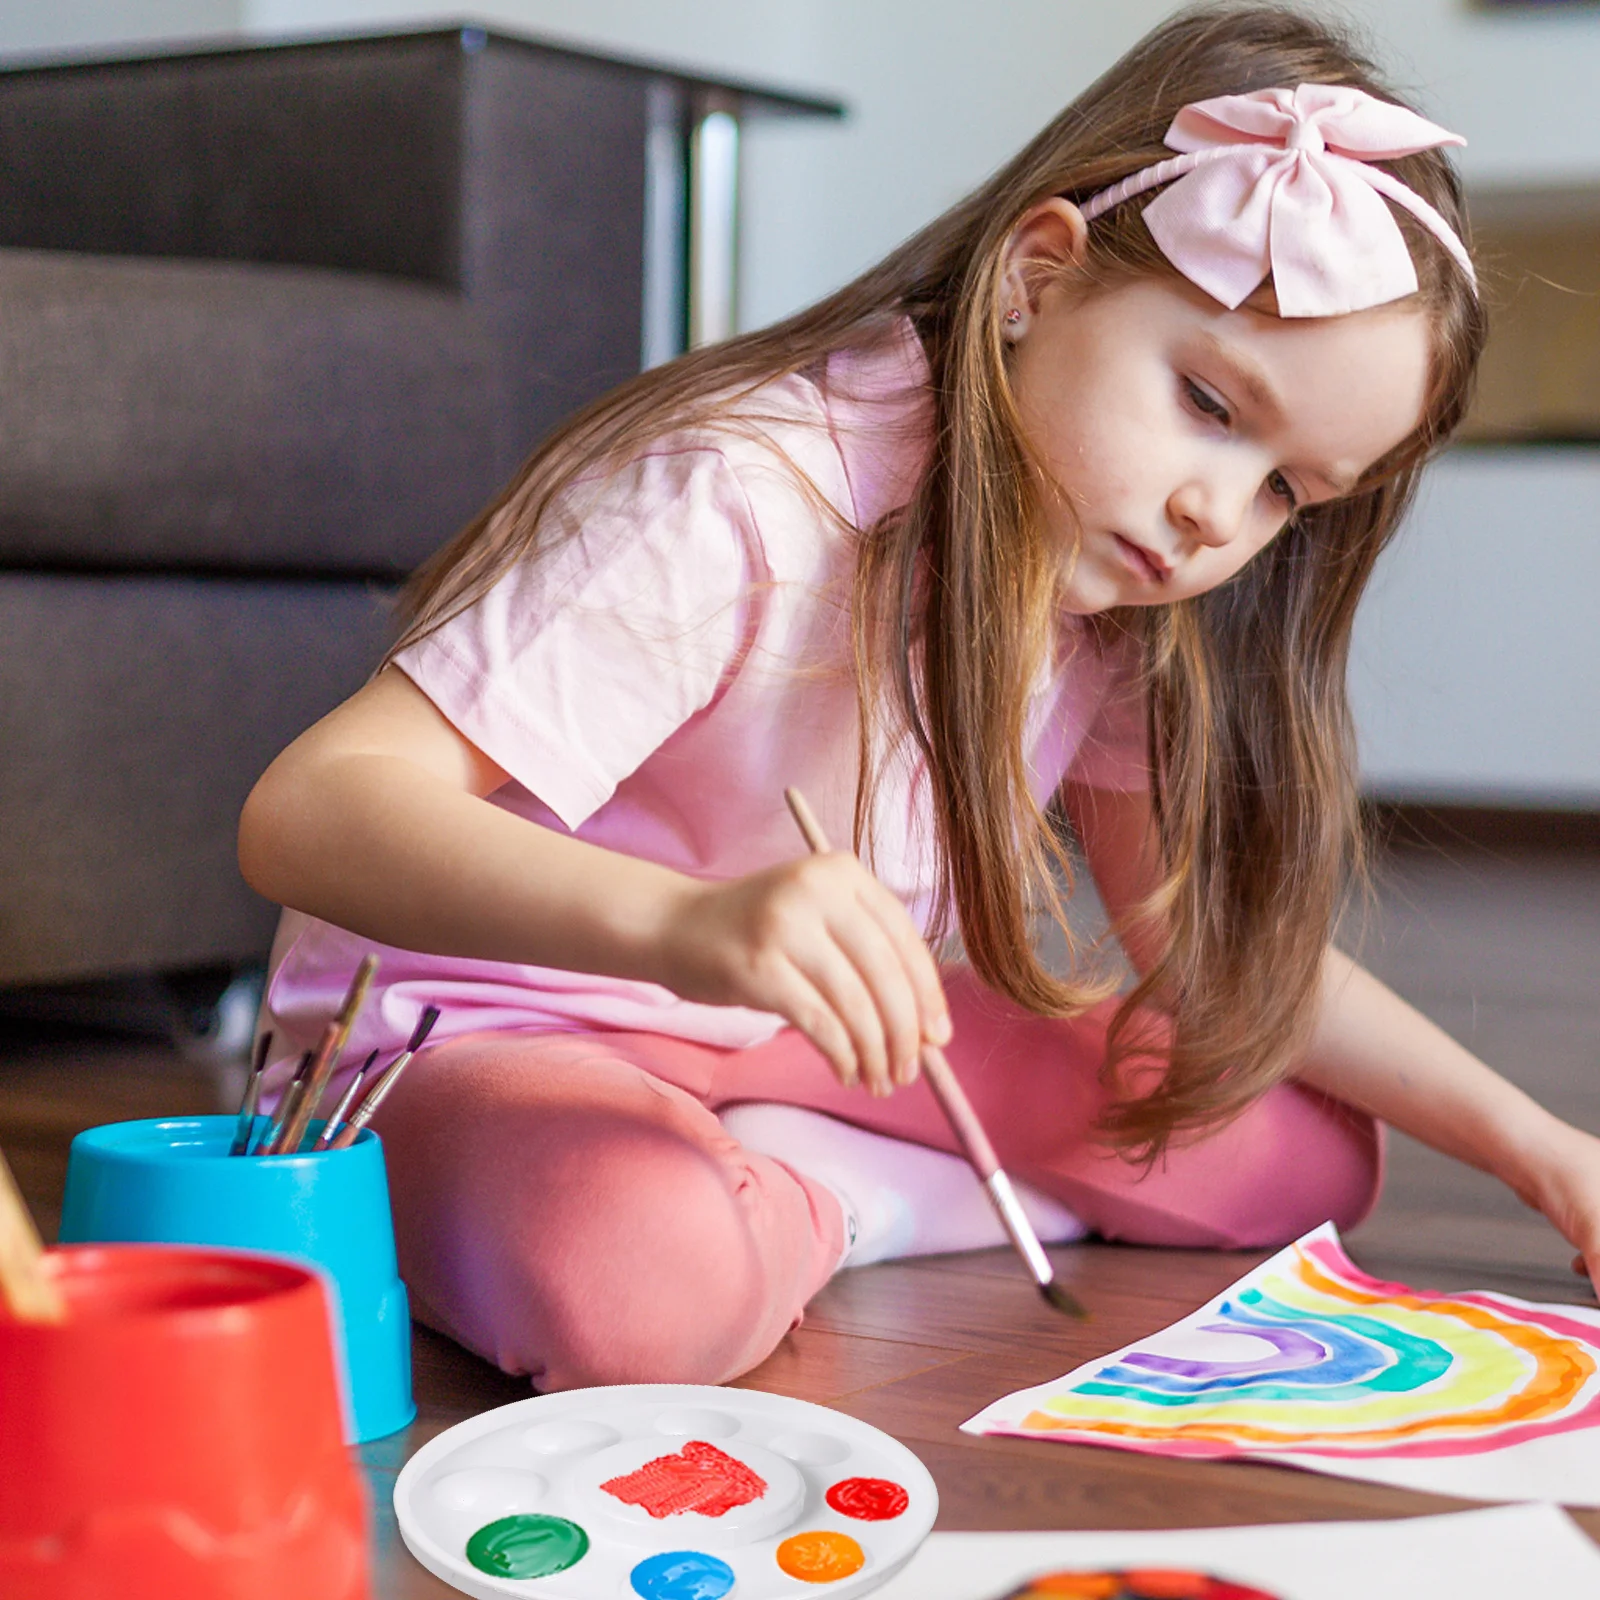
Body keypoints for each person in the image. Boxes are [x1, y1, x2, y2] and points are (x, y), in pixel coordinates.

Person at [238, 4, 1600, 1392]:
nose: (1216, 515)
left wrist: (1544, 1153)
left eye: (1286, 493)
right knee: (647, 1281)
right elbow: (311, 810)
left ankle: (779, 1185)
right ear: (1039, 274)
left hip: (784, 1030)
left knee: (1296, 1154)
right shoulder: (740, 496)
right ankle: (835, 1207)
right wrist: (692, 926)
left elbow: (1200, 949)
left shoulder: (1120, 588)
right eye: (1206, 401)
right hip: (481, 1028)